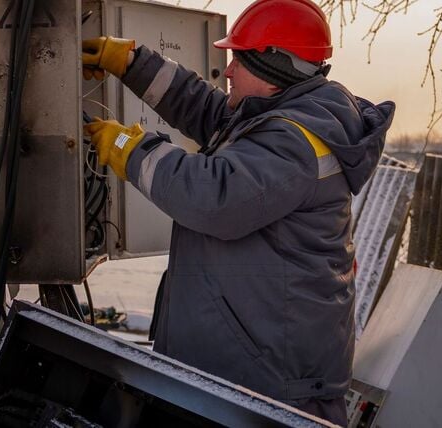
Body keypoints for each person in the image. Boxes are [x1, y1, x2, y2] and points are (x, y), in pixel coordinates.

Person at [81, 0, 394, 424]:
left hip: (270, 391)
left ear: (274, 67)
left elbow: (213, 198)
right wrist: (132, 62)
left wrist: (129, 149)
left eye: (238, 60)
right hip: (246, 372)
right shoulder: (285, 116)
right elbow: (205, 110)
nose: (226, 71)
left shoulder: (297, 142)